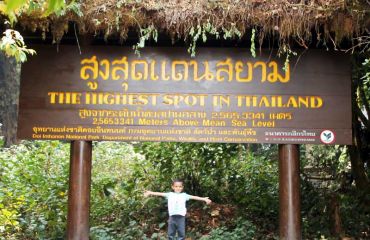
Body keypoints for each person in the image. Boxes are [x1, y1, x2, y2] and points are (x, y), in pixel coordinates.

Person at [144, 179, 212, 240]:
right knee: (171, 233)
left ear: (182, 187)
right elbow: (159, 193)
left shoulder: (184, 195)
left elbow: (194, 197)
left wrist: (204, 199)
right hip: (172, 217)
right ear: (172, 187)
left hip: (181, 217)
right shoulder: (169, 194)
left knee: (181, 233)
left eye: (180, 186)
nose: (178, 188)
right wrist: (150, 192)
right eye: (176, 186)